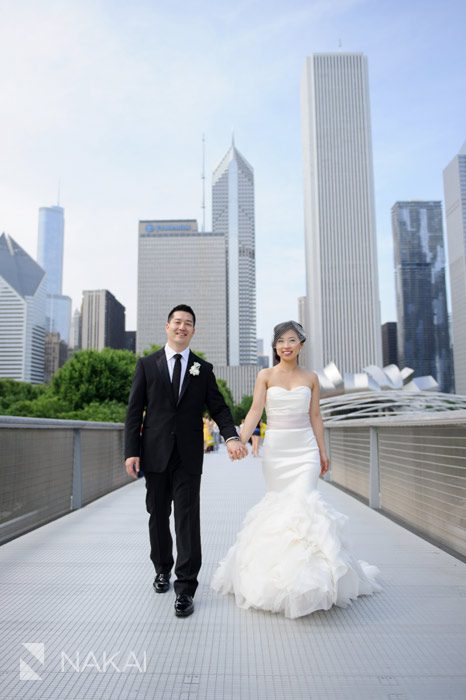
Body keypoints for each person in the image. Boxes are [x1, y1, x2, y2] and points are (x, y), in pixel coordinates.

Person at [211, 320, 381, 619]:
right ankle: (282, 579)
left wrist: (322, 450)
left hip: (305, 450)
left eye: (292, 340)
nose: (286, 345)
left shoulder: (311, 378)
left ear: (301, 345)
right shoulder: (265, 375)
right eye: (280, 341)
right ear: (275, 346)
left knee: (305, 504)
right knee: (281, 507)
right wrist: (236, 438)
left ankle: (311, 580)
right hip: (277, 450)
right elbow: (255, 410)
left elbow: (315, 415)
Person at [125, 304, 247, 618]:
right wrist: (131, 451)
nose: (182, 327)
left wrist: (231, 436)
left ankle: (186, 588)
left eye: (188, 323)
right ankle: (162, 568)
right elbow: (133, 411)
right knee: (157, 514)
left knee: (187, 519)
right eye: (177, 322)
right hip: (154, 453)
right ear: (167, 326)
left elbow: (218, 408)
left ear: (193, 330)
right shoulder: (147, 365)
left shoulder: (202, 369)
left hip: (189, 456)